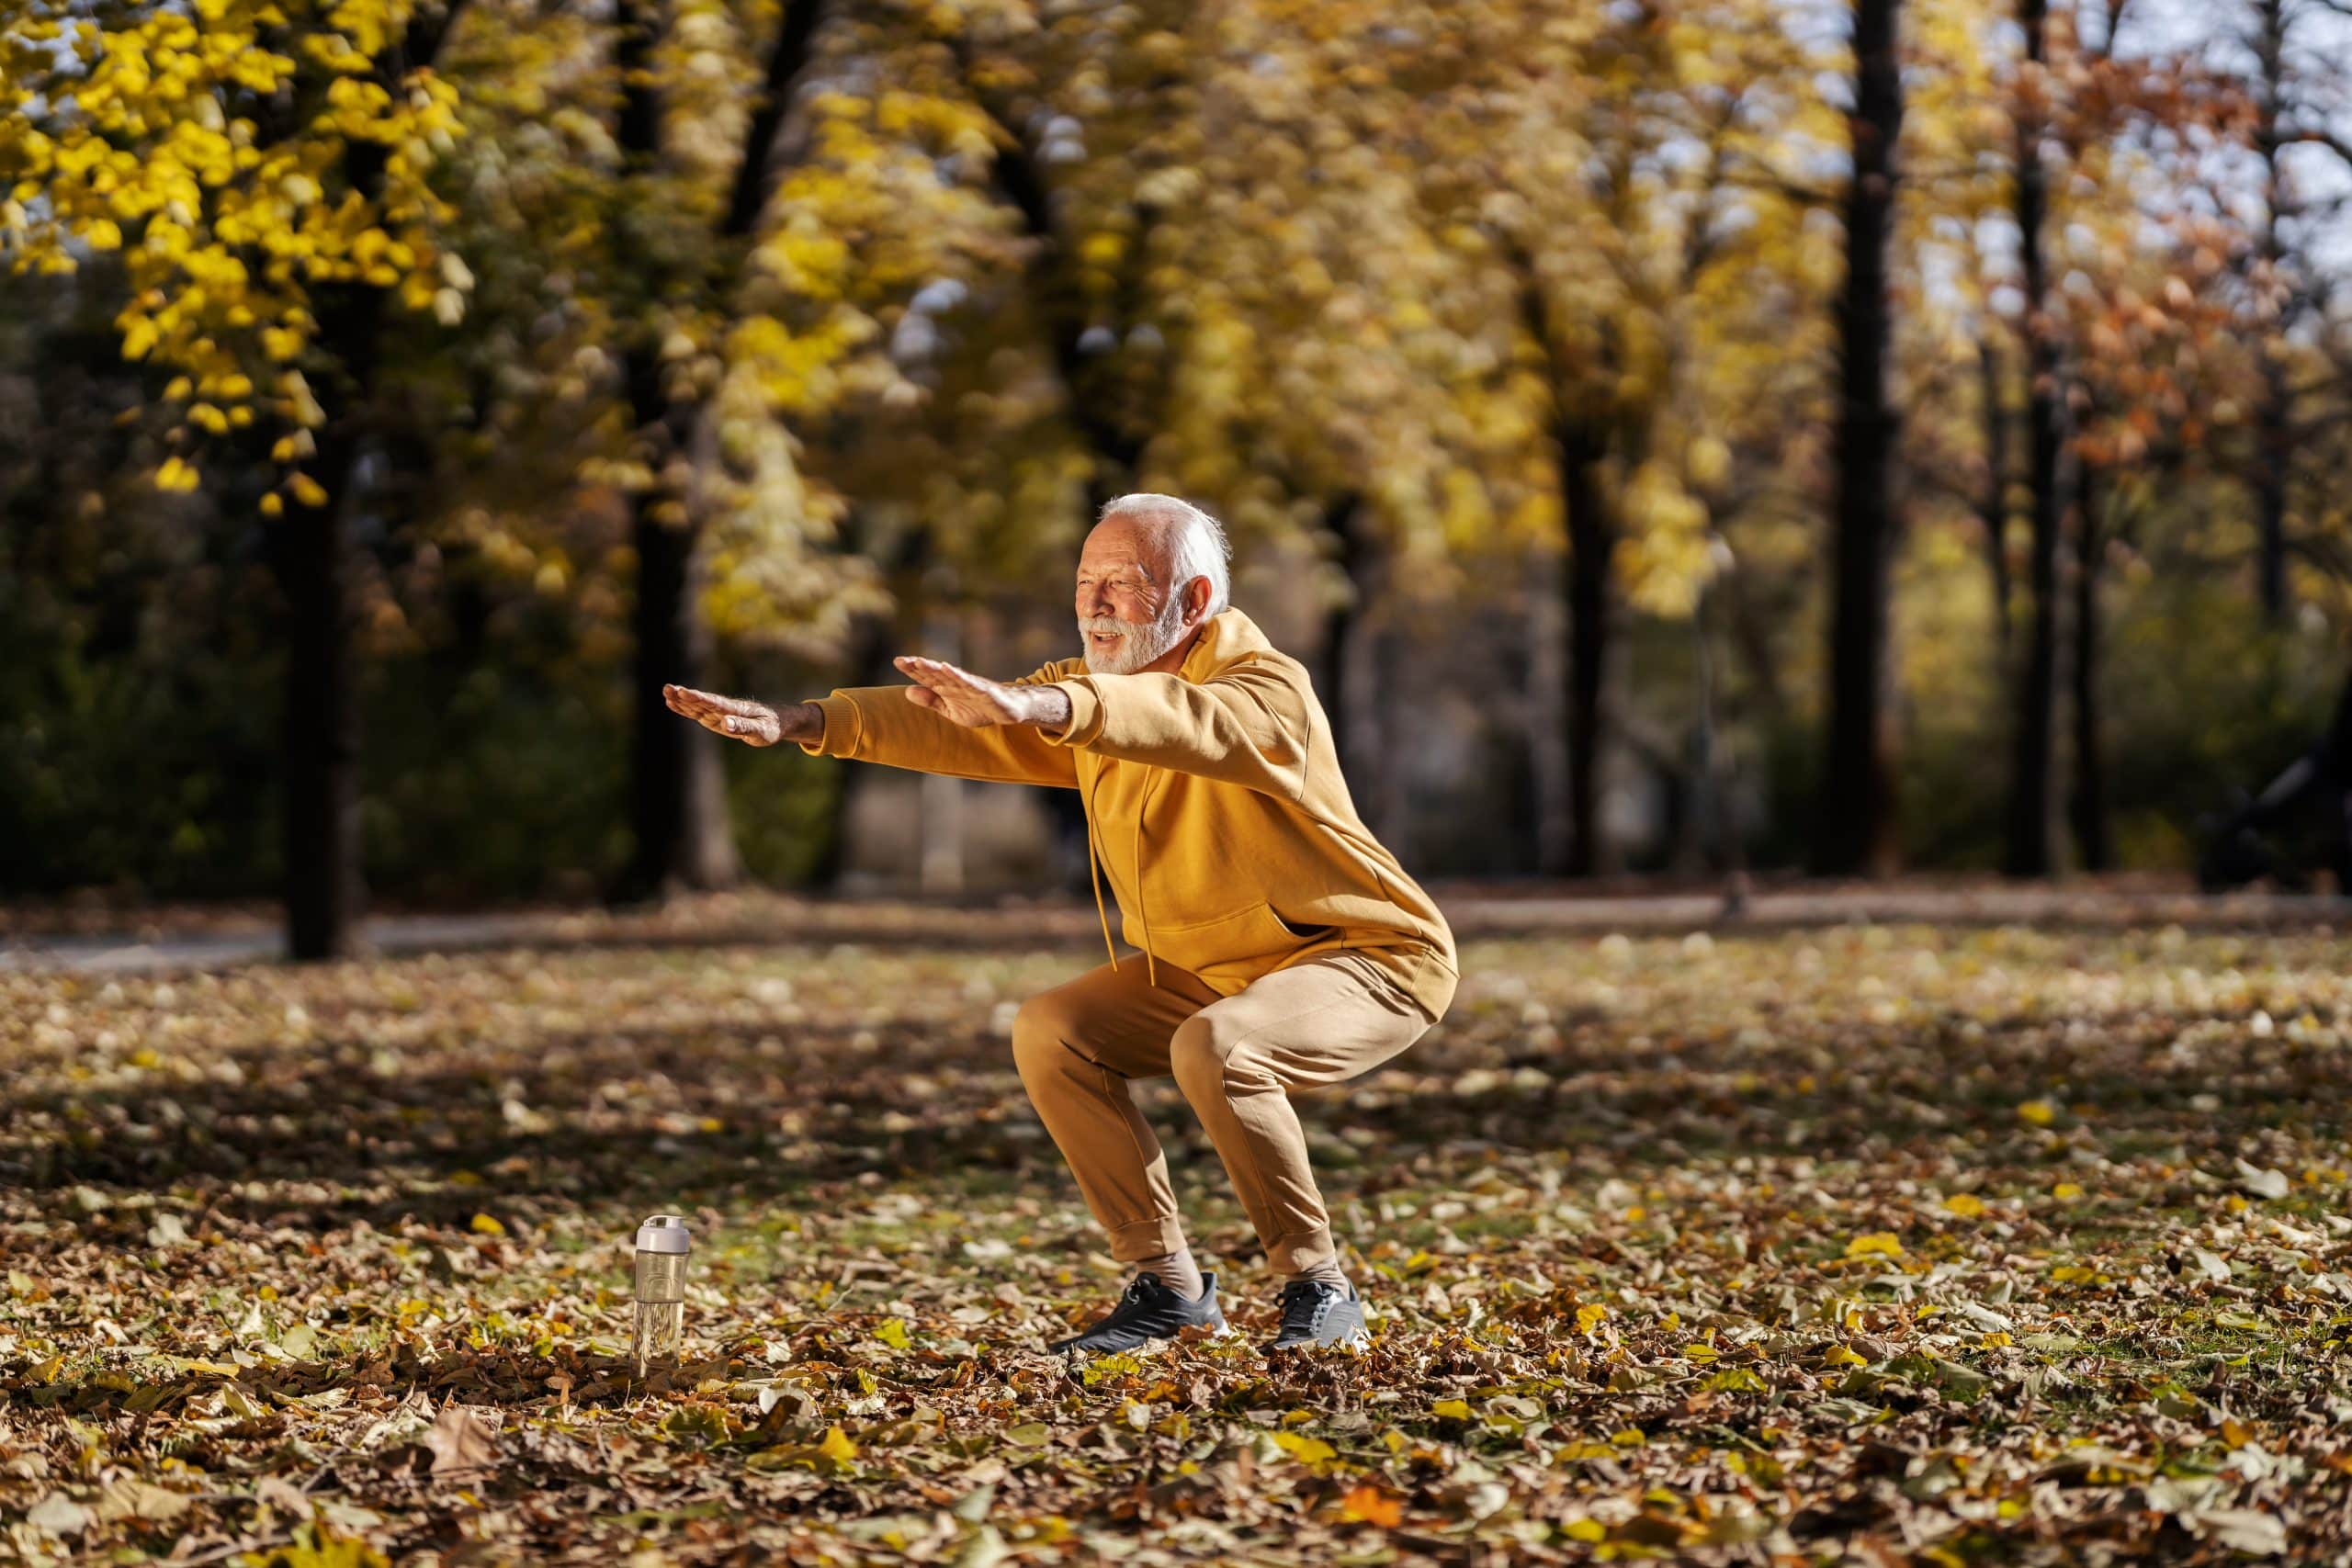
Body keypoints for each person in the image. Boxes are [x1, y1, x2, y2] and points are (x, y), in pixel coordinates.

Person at [665, 493, 1458, 1354]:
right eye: (1085, 581)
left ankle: (1319, 1285)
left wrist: (1041, 709)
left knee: (1219, 1046)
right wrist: (802, 721)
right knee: (1054, 1030)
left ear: (1193, 602)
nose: (1094, 603)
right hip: (1209, 964)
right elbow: (958, 725)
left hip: (1364, 954)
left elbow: (1189, 724)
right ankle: (1171, 1289)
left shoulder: (1269, 689)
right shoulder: (1088, 694)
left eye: (1122, 582)